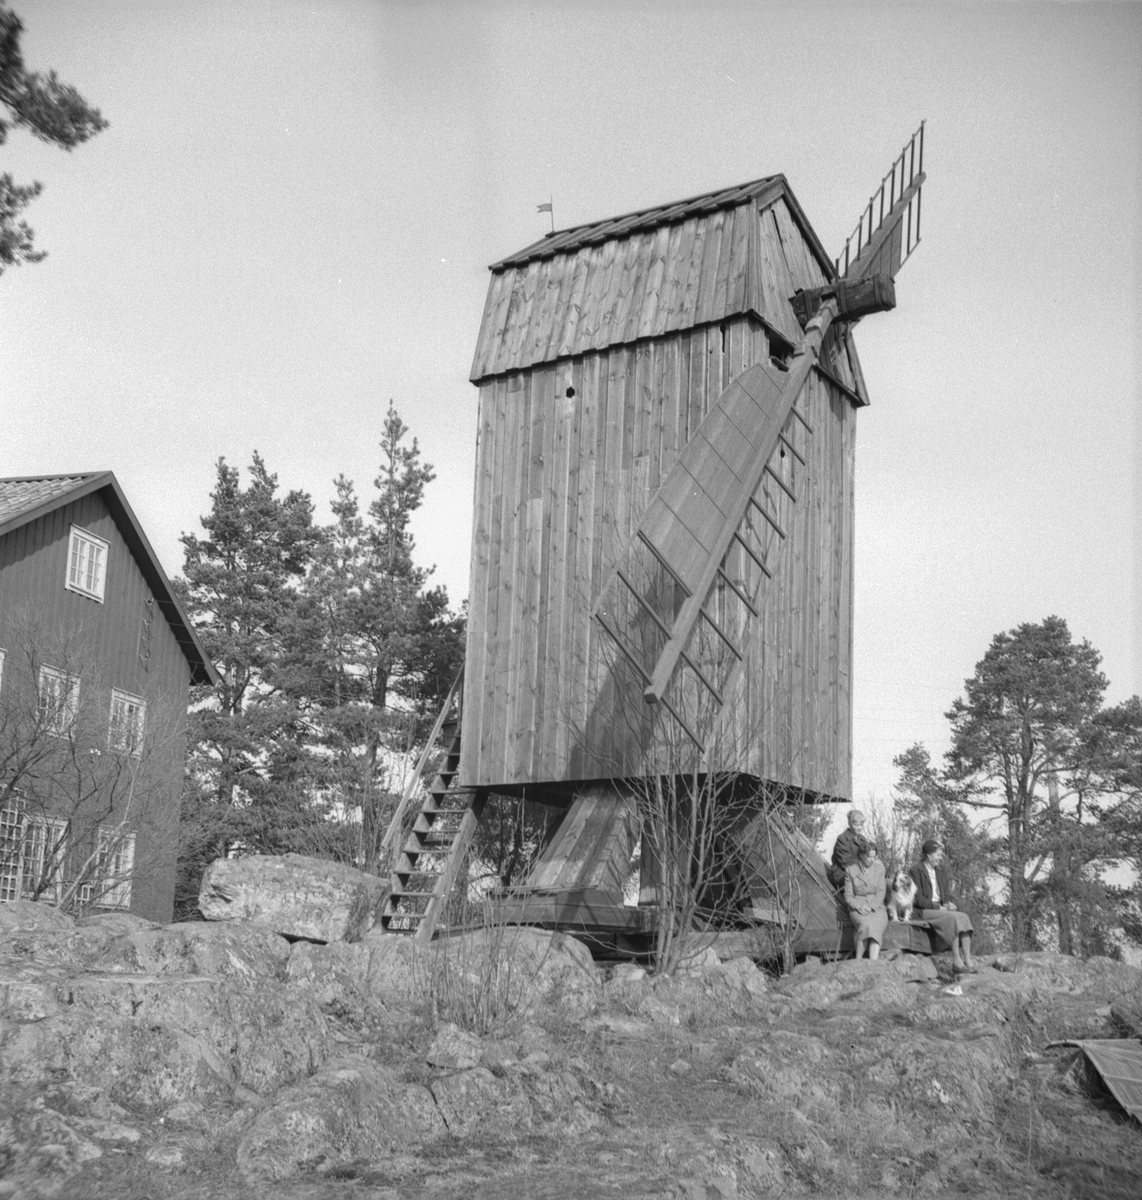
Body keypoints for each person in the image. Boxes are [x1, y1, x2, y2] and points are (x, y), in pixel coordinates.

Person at [909, 839, 977, 974]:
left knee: (963, 917)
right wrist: (937, 907)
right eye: (938, 855)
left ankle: (968, 960)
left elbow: (946, 894)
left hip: (940, 909)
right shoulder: (915, 870)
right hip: (922, 911)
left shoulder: (940, 871)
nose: (940, 858)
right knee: (952, 918)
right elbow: (917, 899)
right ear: (929, 854)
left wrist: (949, 903)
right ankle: (956, 962)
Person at [844, 842, 888, 960]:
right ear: (861, 855)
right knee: (865, 924)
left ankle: (873, 962)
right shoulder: (850, 870)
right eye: (869, 856)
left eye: (874, 857)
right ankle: (858, 960)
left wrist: (871, 906)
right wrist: (858, 907)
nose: (872, 860)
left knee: (876, 925)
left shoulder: (880, 869)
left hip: (877, 907)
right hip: (858, 908)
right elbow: (848, 895)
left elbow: (881, 891)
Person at [830, 809, 867, 888]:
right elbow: (847, 862)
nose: (859, 828)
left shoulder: (863, 840)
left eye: (861, 825)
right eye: (856, 825)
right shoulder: (842, 839)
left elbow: (869, 856)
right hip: (841, 873)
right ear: (849, 824)